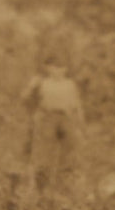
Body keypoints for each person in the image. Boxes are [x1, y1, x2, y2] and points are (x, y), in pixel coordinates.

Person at [21, 58, 85, 191]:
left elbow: (77, 105)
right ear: (48, 68)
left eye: (61, 67)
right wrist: (31, 86)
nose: (58, 71)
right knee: (43, 155)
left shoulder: (70, 84)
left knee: (70, 155)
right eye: (54, 67)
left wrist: (81, 125)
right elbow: (24, 99)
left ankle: (65, 187)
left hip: (67, 118)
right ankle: (41, 188)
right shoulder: (42, 83)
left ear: (66, 69)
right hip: (47, 118)